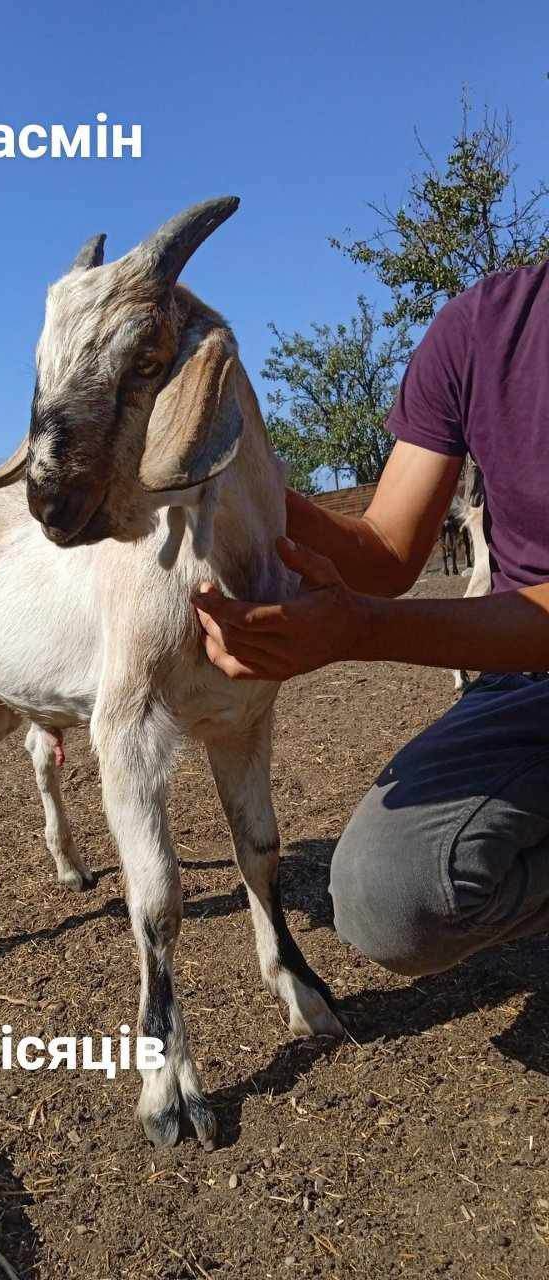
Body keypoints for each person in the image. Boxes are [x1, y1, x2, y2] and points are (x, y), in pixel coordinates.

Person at [193, 263, 549, 978]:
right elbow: (386, 552)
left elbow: (374, 602)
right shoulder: (483, 325)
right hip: (528, 680)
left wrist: (359, 631)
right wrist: (238, 483)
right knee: (388, 897)